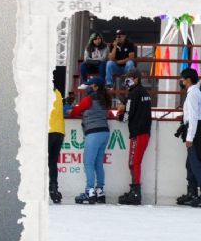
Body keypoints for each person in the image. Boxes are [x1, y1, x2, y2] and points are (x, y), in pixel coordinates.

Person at [175, 68, 201, 207]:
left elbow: (193, 118)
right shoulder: (195, 93)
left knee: (196, 163)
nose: (181, 81)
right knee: (190, 164)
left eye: (182, 78)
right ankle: (192, 192)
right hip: (197, 130)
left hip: (195, 133)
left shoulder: (192, 95)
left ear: (188, 79)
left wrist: (190, 137)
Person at [70, 76, 111, 204]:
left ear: (95, 87)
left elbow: (74, 112)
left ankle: (89, 191)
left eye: (90, 85)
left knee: (88, 163)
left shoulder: (89, 99)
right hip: (105, 131)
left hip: (93, 133)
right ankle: (100, 190)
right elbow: (108, 114)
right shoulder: (105, 99)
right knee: (98, 163)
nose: (88, 87)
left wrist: (81, 113)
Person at [116, 68, 152, 205]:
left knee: (133, 162)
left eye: (129, 77)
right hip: (144, 132)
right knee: (134, 162)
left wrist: (120, 115)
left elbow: (127, 116)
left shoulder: (133, 93)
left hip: (138, 133)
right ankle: (134, 191)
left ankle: (136, 193)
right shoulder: (144, 92)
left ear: (136, 79)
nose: (127, 80)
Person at [48, 87, 65, 204]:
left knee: (41, 162)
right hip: (59, 131)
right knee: (53, 162)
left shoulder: (43, 93)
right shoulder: (58, 92)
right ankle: (54, 189)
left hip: (48, 131)